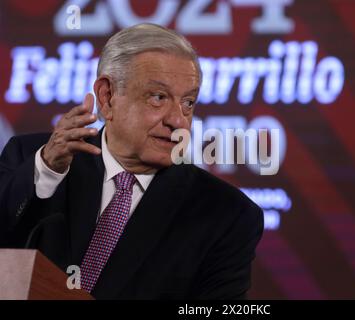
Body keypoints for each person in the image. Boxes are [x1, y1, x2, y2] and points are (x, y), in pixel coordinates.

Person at [0, 23, 264, 299]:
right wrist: (46, 171)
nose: (177, 120)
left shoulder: (226, 214)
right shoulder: (31, 158)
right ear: (108, 97)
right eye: (158, 97)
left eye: (188, 102)